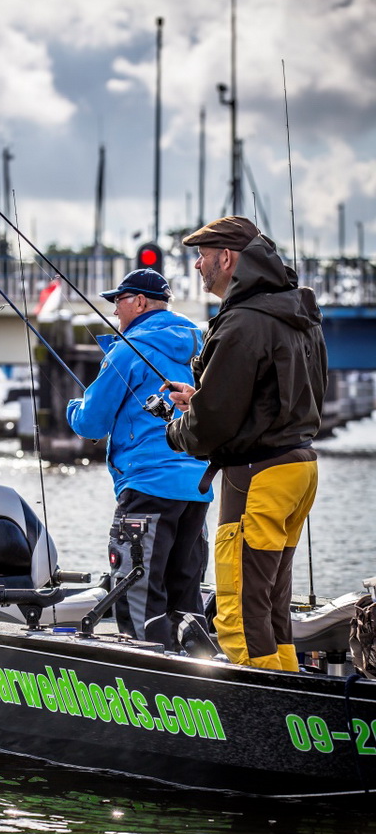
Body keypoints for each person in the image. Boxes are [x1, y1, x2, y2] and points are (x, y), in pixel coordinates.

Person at [164, 215, 328, 672]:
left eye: (201, 256)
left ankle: (262, 712)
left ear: (227, 257)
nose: (197, 266)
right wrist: (202, 400)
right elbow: (288, 395)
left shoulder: (241, 322)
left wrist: (177, 429)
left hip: (256, 475)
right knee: (272, 598)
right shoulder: (298, 313)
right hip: (299, 468)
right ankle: (290, 682)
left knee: (237, 603)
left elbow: (210, 427)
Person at [66, 267, 213, 649]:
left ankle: (149, 687)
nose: (115, 311)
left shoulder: (128, 350)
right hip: (197, 489)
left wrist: (72, 408)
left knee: (139, 595)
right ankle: (198, 679)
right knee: (187, 593)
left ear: (141, 302)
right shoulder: (201, 344)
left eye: (119, 302)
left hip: (147, 486)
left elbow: (91, 423)